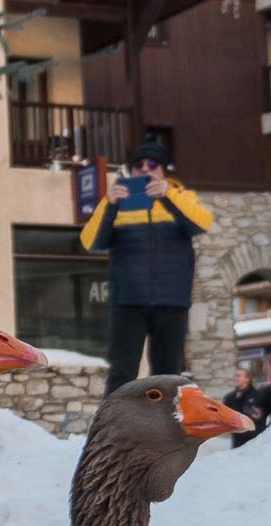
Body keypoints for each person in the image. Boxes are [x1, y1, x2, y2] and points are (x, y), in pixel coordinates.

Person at [79, 139, 215, 396]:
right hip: (128, 303)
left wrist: (168, 196)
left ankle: (166, 424)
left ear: (163, 170)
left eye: (152, 164)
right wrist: (109, 204)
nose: (145, 169)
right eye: (138, 165)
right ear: (131, 171)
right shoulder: (118, 204)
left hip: (172, 303)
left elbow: (202, 223)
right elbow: (91, 242)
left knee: (169, 377)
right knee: (121, 375)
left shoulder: (182, 197)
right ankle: (114, 423)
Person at [221, 366, 271, 448]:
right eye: (235, 376)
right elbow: (224, 417)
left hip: (258, 443)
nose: (235, 378)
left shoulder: (260, 396)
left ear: (247, 379)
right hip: (238, 444)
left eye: (238, 376)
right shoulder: (230, 398)